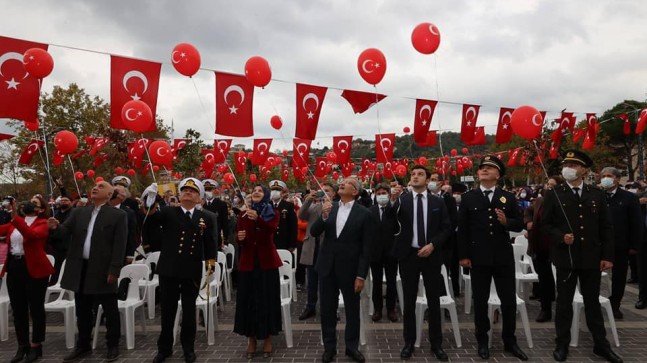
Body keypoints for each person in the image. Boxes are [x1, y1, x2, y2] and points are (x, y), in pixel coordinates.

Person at [541, 150, 622, 363]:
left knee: (592, 303)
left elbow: (606, 227)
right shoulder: (554, 193)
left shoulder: (596, 193)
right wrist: (560, 237)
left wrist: (607, 256)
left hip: (591, 257)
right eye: (566, 163)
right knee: (564, 303)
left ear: (584, 169)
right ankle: (562, 344)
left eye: (574, 164)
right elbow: (545, 224)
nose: (569, 167)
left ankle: (600, 345)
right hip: (566, 257)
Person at [48, 181, 128, 362]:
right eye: (95, 186)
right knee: (82, 310)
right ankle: (83, 344)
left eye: (101, 186)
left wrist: (115, 269)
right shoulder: (79, 212)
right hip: (80, 268)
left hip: (103, 269)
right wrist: (55, 227)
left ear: (109, 195)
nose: (95, 188)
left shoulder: (117, 215)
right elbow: (64, 231)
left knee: (110, 310)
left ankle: (112, 345)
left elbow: (119, 245)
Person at [457, 155, 528, 361]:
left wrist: (507, 222)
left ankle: (510, 340)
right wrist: (463, 256)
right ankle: (482, 339)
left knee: (508, 301)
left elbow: (519, 224)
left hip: (502, 256)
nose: (484, 170)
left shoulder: (508, 197)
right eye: (482, 168)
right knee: (480, 301)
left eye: (490, 168)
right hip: (478, 257)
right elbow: (463, 230)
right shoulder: (469, 198)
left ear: (498, 174)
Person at [388, 166, 452, 361]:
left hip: (431, 255)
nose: (415, 176)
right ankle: (409, 342)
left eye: (420, 174)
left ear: (427, 180)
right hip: (409, 256)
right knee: (408, 301)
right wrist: (392, 202)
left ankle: (436, 344)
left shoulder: (437, 202)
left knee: (434, 301)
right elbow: (390, 225)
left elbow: (447, 228)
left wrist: (433, 245)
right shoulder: (402, 200)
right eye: (413, 174)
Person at [151, 178, 217, 363]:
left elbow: (210, 243)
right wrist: (151, 201)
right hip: (169, 270)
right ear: (179, 195)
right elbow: (149, 222)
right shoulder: (168, 212)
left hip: (191, 270)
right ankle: (164, 348)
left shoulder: (205, 217)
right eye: (185, 190)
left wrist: (210, 265)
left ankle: (188, 348)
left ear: (199, 198)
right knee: (168, 311)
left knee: (189, 313)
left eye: (193, 191)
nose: (188, 192)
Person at [310, 177, 372, 363]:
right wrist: (323, 216)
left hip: (351, 270)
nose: (342, 183)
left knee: (352, 310)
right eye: (342, 182)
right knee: (327, 309)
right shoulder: (331, 207)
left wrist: (361, 275)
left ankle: (352, 347)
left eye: (348, 183)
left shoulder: (364, 214)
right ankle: (329, 347)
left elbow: (366, 248)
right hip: (327, 266)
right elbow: (314, 232)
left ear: (355, 192)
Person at [1, 195, 54, 363]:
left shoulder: (42, 224)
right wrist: (12, 214)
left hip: (35, 269)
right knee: (18, 309)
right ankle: (22, 345)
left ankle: (36, 345)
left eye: (35, 203)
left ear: (41, 209)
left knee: (36, 308)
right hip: (15, 267)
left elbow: (30, 235)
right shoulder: (15, 222)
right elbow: (3, 230)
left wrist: (15, 215)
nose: (30, 205)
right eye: (29, 201)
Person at [233, 184, 283, 359]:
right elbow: (240, 236)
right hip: (248, 263)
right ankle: (251, 340)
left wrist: (258, 219)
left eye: (260, 190)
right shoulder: (243, 214)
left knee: (266, 300)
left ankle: (268, 338)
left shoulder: (272, 213)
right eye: (254, 190)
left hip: (267, 263)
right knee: (249, 301)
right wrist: (239, 239)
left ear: (266, 195)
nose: (256, 192)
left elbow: (271, 230)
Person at [599, 167, 643, 319]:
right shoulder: (597, 196)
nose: (605, 178)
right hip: (599, 244)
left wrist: (634, 245)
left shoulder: (629, 198)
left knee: (619, 277)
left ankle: (615, 304)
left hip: (621, 244)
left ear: (617, 178)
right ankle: (592, 302)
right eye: (603, 176)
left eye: (609, 176)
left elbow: (636, 223)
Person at [523, 176, 563, 322]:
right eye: (547, 184)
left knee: (560, 277)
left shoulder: (563, 202)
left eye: (552, 185)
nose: (548, 187)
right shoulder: (539, 201)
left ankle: (562, 307)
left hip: (557, 245)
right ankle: (545, 309)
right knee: (544, 277)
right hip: (540, 245)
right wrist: (528, 223)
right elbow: (527, 212)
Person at [297, 182, 337, 321]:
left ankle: (331, 308)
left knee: (328, 281)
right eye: (322, 190)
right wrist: (309, 199)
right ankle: (310, 306)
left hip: (328, 248)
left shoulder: (337, 207)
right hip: (312, 247)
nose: (324, 192)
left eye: (327, 190)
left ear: (333, 194)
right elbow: (301, 215)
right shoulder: (314, 207)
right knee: (311, 280)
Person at [369, 183, 399, 323]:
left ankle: (391, 309)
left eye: (384, 193)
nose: (381, 195)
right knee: (377, 282)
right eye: (379, 193)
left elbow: (394, 220)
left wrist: (393, 200)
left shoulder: (393, 209)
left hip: (391, 251)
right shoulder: (370, 210)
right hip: (375, 252)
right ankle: (377, 309)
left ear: (388, 194)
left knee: (391, 281)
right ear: (375, 194)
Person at [428, 172, 460, 297]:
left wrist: (442, 236)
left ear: (440, 183)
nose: (431, 181)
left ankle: (444, 297)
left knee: (444, 271)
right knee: (430, 273)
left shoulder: (449, 199)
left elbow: (453, 221)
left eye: (434, 179)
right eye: (431, 179)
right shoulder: (425, 197)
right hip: (429, 242)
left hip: (445, 242)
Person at [47, 195, 72, 284]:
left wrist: (58, 227)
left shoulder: (72, 213)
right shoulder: (55, 213)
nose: (63, 201)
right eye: (62, 200)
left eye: (66, 200)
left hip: (65, 245)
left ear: (71, 202)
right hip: (53, 245)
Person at [268, 180, 298, 251]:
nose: (275, 192)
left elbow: (293, 226)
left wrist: (292, 244)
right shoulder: (266, 205)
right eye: (273, 189)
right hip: (268, 242)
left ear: (282, 192)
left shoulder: (288, 206)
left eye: (278, 190)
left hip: (283, 243)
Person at [202, 179, 229, 249]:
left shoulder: (221, 204)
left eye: (210, 189)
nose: (208, 192)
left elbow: (225, 223)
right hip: (202, 239)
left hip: (216, 239)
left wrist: (225, 240)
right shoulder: (201, 204)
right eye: (206, 189)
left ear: (214, 190)